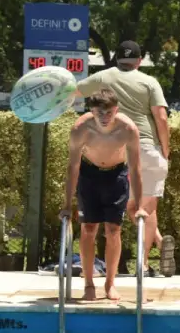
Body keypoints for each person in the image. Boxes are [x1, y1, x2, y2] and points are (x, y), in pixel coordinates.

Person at [77, 41, 175, 277]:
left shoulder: (102, 77)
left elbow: (74, 91)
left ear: (116, 59)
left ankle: (159, 243)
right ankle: (143, 263)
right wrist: (165, 150)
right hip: (146, 147)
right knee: (146, 209)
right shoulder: (149, 82)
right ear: (140, 60)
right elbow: (161, 118)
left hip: (112, 152)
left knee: (128, 207)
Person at [62, 88, 145, 302]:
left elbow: (135, 168)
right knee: (88, 228)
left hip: (116, 175)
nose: (105, 118)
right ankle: (89, 284)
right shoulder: (81, 128)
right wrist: (66, 203)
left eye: (109, 113)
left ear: (116, 110)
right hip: (89, 175)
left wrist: (140, 203)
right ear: (92, 110)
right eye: (100, 113)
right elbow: (73, 167)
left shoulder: (128, 129)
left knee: (113, 229)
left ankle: (110, 283)